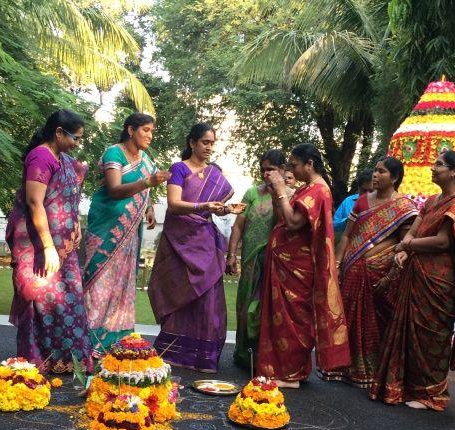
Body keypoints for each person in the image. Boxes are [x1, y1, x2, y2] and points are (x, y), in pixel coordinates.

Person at [370, 151, 455, 410]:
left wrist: (407, 246)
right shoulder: (432, 200)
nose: (433, 168)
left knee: (432, 334)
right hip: (417, 272)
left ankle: (432, 393)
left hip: (439, 279)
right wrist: (405, 247)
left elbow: (443, 241)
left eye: (439, 165)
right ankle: (406, 386)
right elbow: (415, 228)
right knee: (409, 330)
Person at [5, 109, 93, 374]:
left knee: (69, 302)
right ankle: (37, 360)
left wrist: (74, 226)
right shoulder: (41, 157)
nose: (77, 144)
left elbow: (69, 199)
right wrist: (47, 247)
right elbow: (35, 202)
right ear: (58, 132)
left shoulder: (62, 159)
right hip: (41, 247)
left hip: (64, 247)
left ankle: (69, 362)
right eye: (75, 138)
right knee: (39, 301)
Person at [256, 143, 350, 388]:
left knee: (293, 320)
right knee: (281, 320)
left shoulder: (318, 190)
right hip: (286, 264)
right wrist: (280, 192)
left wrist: (279, 189)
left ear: (309, 164)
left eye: (295, 165)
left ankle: (291, 374)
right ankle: (283, 370)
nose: (292, 170)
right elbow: (282, 215)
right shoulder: (308, 188)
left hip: (297, 268)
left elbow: (293, 223)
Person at [319, 158, 418, 386]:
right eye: (375, 170)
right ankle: (342, 367)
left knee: (377, 321)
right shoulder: (361, 202)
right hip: (353, 268)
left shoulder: (403, 207)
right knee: (347, 318)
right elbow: (347, 236)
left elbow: (403, 243)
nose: (375, 175)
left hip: (381, 274)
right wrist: (339, 261)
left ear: (394, 178)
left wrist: (387, 268)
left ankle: (371, 370)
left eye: (381, 172)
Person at [148, 123, 236, 372]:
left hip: (204, 243)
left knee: (207, 297)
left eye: (212, 143)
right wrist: (205, 206)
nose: (209, 147)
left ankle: (203, 358)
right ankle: (173, 353)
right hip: (179, 242)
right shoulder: (179, 169)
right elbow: (174, 205)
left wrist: (225, 208)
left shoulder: (215, 175)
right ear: (192, 143)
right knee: (179, 294)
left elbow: (214, 206)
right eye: (205, 142)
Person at [83, 113, 170, 354]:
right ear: (130, 130)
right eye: (145, 130)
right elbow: (114, 190)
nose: (150, 135)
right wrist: (148, 183)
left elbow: (146, 187)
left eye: (152, 131)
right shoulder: (114, 153)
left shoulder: (145, 158)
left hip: (130, 233)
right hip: (106, 228)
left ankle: (116, 342)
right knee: (98, 285)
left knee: (123, 286)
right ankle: (88, 343)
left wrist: (150, 207)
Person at [226, 149, 292, 369]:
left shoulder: (291, 195)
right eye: (263, 169)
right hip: (250, 261)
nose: (266, 174)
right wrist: (231, 254)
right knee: (246, 305)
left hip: (276, 262)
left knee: (268, 308)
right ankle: (245, 354)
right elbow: (238, 225)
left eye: (271, 169)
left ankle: (267, 358)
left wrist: (278, 194)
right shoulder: (251, 193)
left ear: (283, 170)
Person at [333, 169, 374, 235]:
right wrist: (347, 221)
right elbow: (334, 225)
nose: (366, 195)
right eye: (364, 190)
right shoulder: (348, 201)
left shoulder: (381, 204)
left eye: (371, 191)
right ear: (358, 188)